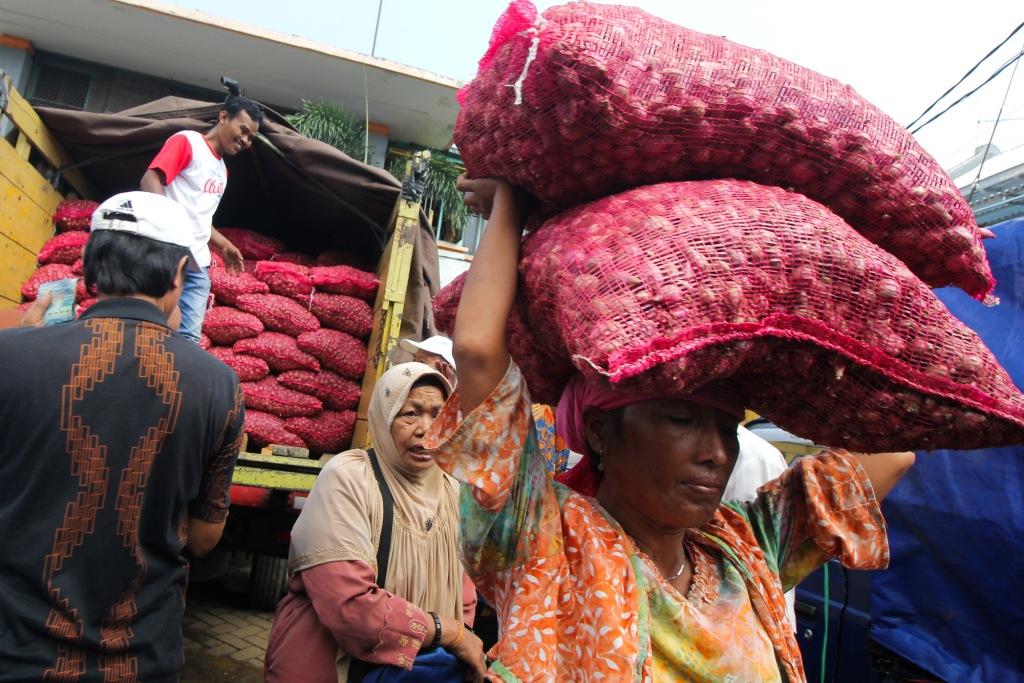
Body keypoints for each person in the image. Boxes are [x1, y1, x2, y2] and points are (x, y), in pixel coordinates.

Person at [422, 177, 917, 681]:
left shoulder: (747, 546)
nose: (717, 454)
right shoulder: (544, 539)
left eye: (727, 428)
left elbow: (894, 453)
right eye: (681, 420)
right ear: (600, 432)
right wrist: (511, 200)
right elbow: (478, 354)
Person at [0, 191, 245, 682]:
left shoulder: (10, 357)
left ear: (91, 265)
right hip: (140, 658)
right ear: (178, 272)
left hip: (16, 652)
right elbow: (203, 537)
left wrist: (25, 338)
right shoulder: (218, 385)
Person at [264, 362, 487, 682]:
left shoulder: (453, 488)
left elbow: (463, 593)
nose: (427, 428)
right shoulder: (350, 478)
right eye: (410, 413)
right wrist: (445, 632)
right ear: (384, 419)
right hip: (336, 667)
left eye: (438, 414)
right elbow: (349, 605)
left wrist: (453, 646)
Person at [140, 93, 264, 343]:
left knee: (188, 340)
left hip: (198, 264)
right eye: (243, 130)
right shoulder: (188, 142)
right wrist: (163, 235)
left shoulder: (222, 171)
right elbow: (150, 180)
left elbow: (200, 217)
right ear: (223, 117)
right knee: (151, 327)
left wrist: (224, 244)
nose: (246, 140)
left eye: (251, 137)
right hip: (169, 253)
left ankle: (172, 380)